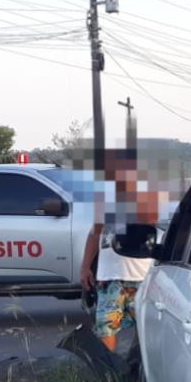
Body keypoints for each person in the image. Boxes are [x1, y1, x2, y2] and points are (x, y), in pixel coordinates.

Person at [79, 148, 164, 353]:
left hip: (141, 274)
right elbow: (95, 232)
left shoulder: (149, 195)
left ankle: (139, 373)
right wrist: (86, 266)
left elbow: (150, 219)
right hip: (110, 275)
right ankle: (110, 377)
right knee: (105, 327)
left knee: (145, 329)